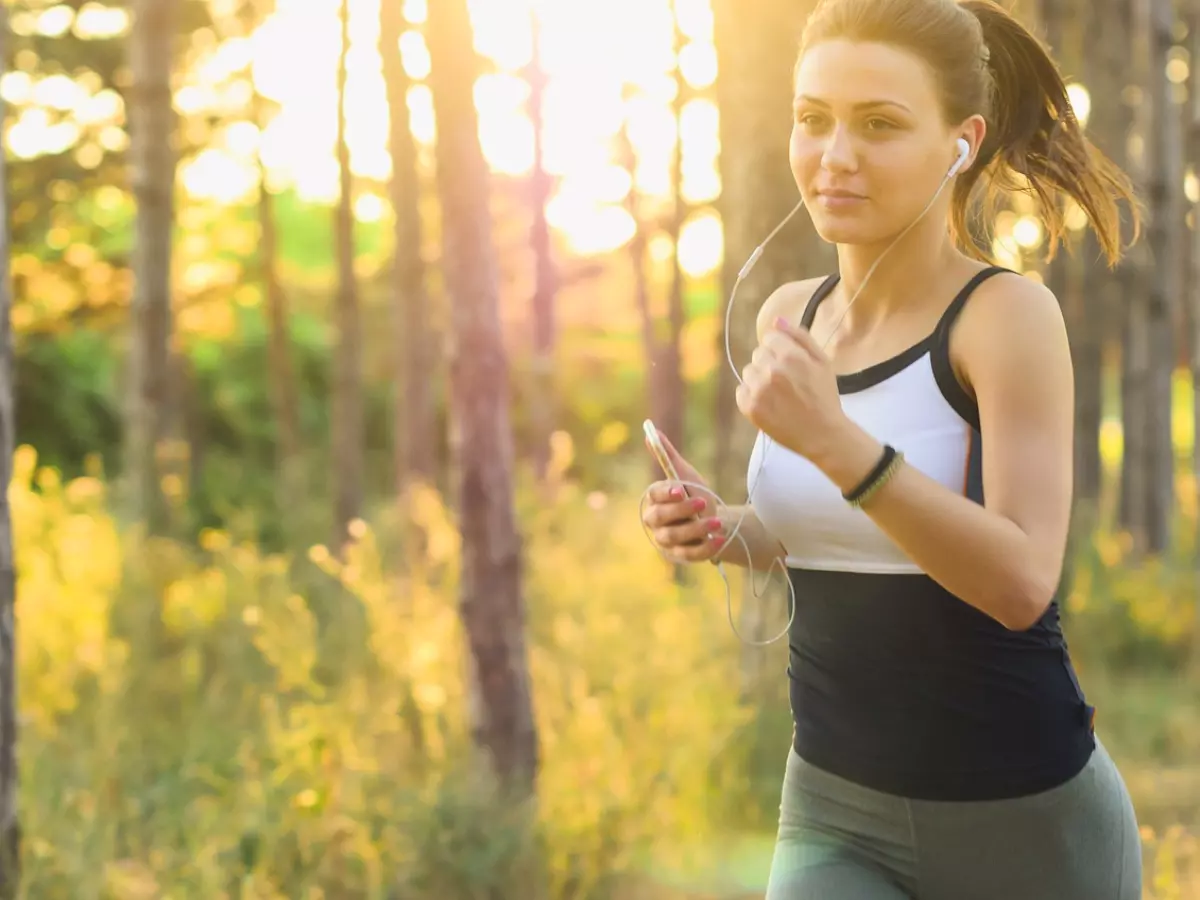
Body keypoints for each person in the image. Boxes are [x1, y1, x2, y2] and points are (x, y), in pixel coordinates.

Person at [639, 0, 1143, 897]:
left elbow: (1022, 582)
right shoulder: (788, 313)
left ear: (962, 141)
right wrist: (726, 529)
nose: (835, 156)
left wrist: (836, 443)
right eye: (812, 119)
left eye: (879, 125)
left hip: (1023, 821)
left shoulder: (1003, 318)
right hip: (833, 808)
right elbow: (829, 533)